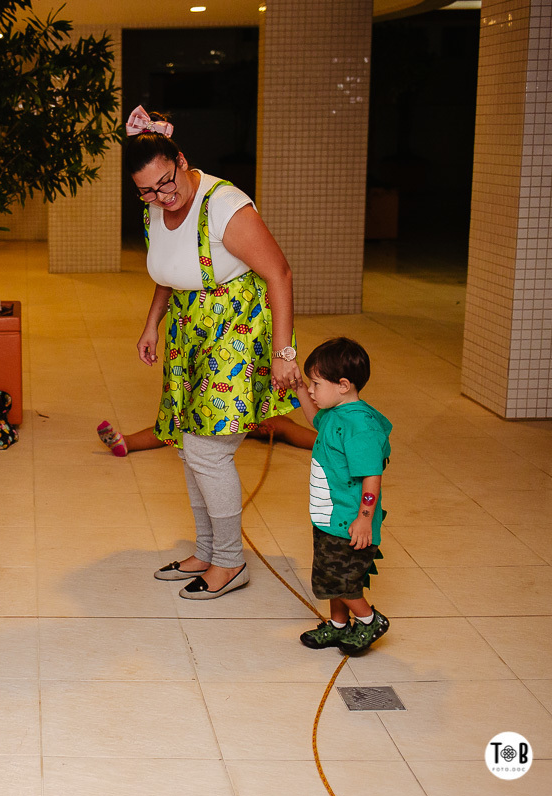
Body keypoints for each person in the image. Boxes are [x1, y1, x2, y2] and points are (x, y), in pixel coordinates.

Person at [125, 106, 302, 600]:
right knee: (188, 443)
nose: (162, 196)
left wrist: (286, 352)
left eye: (166, 182)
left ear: (181, 160)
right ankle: (206, 548)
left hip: (235, 329)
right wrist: (152, 324)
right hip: (188, 330)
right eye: (148, 191)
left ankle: (230, 562)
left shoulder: (224, 204)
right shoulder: (154, 209)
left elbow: (279, 274)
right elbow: (167, 272)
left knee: (209, 449)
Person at [296, 338, 391, 655]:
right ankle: (339, 626)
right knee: (332, 575)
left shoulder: (359, 426)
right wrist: (297, 387)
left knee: (341, 580)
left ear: (343, 385)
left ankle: (368, 620)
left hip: (349, 522)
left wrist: (364, 520)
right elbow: (314, 421)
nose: (312, 390)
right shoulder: (335, 413)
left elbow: (371, 476)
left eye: (316, 383)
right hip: (328, 518)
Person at [97, 415, 316, 457]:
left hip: (252, 415)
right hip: (229, 412)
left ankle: (329, 444)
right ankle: (127, 442)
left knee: (282, 425)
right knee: (176, 426)